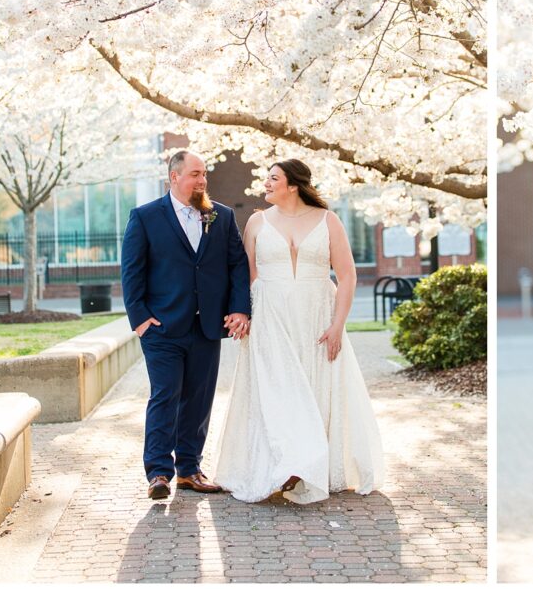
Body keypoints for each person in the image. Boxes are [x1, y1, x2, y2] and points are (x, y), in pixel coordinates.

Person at [213, 159, 384, 503]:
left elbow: (347, 275)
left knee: (313, 386)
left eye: (273, 178)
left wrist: (338, 325)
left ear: (293, 185)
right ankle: (287, 464)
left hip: (316, 315)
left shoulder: (328, 220)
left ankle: (308, 464)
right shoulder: (258, 222)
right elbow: (243, 275)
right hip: (269, 316)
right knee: (276, 390)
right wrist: (241, 313)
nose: (266, 183)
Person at [121, 150, 251, 500]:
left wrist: (240, 309)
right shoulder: (146, 217)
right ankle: (159, 473)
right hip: (162, 327)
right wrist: (140, 320)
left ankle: (190, 470)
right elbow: (131, 272)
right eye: (195, 174)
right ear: (174, 177)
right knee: (166, 394)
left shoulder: (220, 216)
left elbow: (238, 265)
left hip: (207, 326)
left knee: (199, 399)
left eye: (204, 174)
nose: (202, 180)